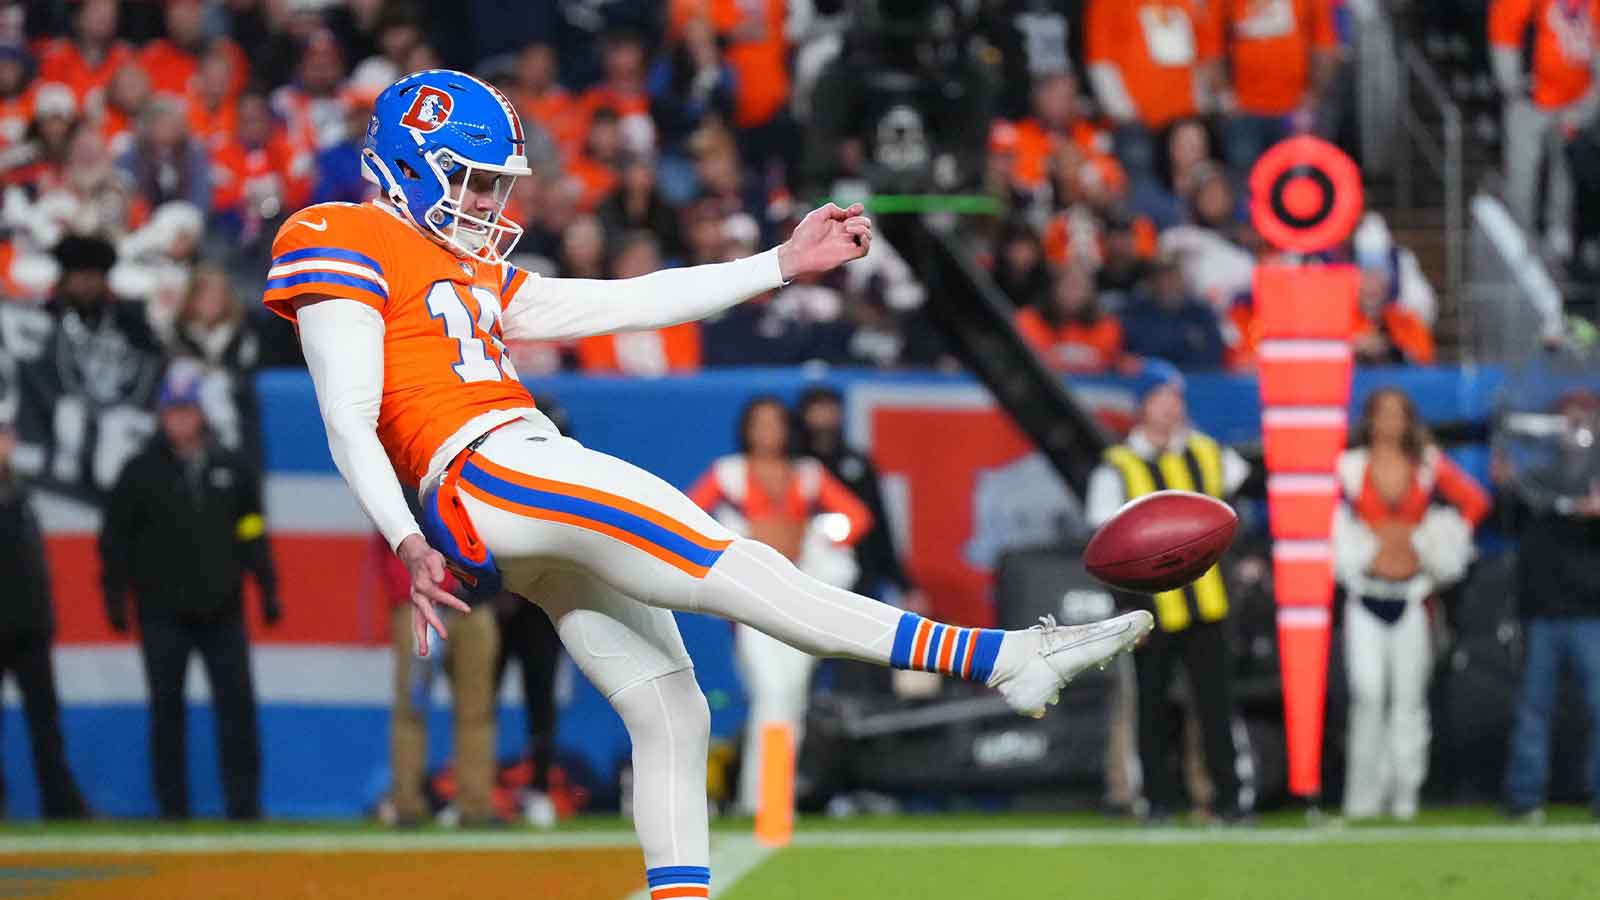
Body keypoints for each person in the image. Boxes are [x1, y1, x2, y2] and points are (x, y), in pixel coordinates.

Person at [266, 70, 1151, 894]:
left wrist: (777, 266)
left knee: (673, 711)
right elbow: (347, 411)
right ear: (412, 165)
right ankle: (1004, 659)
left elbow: (626, 300)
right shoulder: (334, 232)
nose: (490, 202)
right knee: (730, 564)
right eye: (473, 180)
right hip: (493, 467)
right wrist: (405, 538)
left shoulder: (472, 270)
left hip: (509, 491)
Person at [99, 364, 280, 820]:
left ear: (201, 413)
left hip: (224, 607)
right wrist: (115, 596)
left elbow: (252, 529)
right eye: (172, 411)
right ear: (162, 415)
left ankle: (244, 806)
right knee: (166, 711)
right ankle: (172, 808)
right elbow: (115, 538)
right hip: (162, 611)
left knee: (237, 709)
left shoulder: (230, 467)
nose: (180, 420)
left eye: (187, 410)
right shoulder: (139, 471)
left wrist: (267, 585)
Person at [688, 395, 873, 815]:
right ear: (747, 429)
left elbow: (856, 517)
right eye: (760, 424)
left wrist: (818, 538)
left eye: (776, 423)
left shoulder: (807, 475)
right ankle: (762, 800)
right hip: (754, 602)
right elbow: (687, 514)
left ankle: (772, 797)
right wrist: (729, 540)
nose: (769, 432)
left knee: (793, 699)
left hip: (797, 596)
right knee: (772, 691)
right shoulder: (730, 474)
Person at [1086, 361, 1252, 823]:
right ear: (1142, 404)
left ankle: (1231, 799)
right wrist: (1124, 604)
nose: (1171, 407)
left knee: (1217, 705)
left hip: (1210, 600)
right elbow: (1102, 545)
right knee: (1150, 706)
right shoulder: (1117, 465)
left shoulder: (1210, 453)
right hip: (1147, 607)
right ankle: (1158, 799)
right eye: (1161, 397)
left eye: (1177, 397)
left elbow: (1244, 503)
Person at [1332, 388, 1489, 820]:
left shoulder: (1426, 464)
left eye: (1398, 414)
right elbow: (1320, 512)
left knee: (1408, 700)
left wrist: (1440, 540)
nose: (1390, 422)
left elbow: (1476, 500)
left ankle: (1404, 795)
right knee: (1366, 693)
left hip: (1413, 594)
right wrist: (1354, 543)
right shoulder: (1348, 467)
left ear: (1409, 420)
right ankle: (1361, 798)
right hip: (1365, 593)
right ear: (1369, 419)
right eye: (1382, 413)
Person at [1499, 388, 1600, 822]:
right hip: (1541, 610)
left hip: (1591, 611)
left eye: (1582, 418)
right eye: (1567, 418)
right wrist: (1504, 486)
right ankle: (1525, 798)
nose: (1574, 426)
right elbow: (1506, 522)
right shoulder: (1536, 477)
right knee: (1532, 709)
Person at [373, 510, 499, 827]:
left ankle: (475, 805)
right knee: (412, 707)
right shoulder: (401, 475)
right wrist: (403, 590)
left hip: (473, 604)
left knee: (477, 708)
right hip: (419, 604)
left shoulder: (474, 468)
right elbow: (388, 528)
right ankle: (406, 803)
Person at [0, 415, 90, 820]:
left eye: (5, 434)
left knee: (46, 725)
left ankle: (60, 803)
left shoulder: (19, 489)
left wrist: (44, 616)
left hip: (30, 626)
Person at [1490, 0, 1600, 260]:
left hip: (1576, 101)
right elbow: (1505, 25)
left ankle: (1558, 229)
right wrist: (1511, 82)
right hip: (1532, 100)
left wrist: (1591, 102)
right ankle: (1519, 234)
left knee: (1565, 168)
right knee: (1523, 170)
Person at [794, 386, 921, 605]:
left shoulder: (858, 464)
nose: (825, 416)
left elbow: (878, 525)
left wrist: (904, 584)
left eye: (830, 408)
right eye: (818, 408)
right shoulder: (795, 466)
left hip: (857, 574)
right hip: (804, 570)